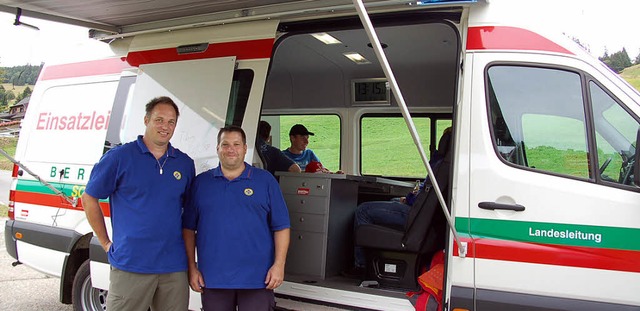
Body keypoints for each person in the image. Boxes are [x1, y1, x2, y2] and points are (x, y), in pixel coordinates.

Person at [82, 96, 195, 311]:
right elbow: (89, 198)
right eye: (159, 120)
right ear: (146, 120)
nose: (165, 127)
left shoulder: (184, 163)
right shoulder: (120, 157)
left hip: (173, 267)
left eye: (171, 122)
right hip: (131, 264)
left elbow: (188, 215)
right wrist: (106, 242)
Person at [183, 125, 291, 311]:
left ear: (245, 148)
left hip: (258, 278)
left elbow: (281, 227)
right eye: (225, 144)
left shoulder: (265, 181)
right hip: (213, 278)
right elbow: (188, 229)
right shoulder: (201, 183)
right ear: (217, 149)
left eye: (236, 144)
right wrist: (192, 268)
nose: (231, 149)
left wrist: (279, 266)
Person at [344, 127, 452, 278]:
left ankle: (360, 265)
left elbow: (424, 198)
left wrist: (408, 199)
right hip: (422, 215)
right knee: (393, 200)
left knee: (363, 210)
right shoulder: (449, 165)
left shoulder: (439, 165)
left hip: (415, 215)